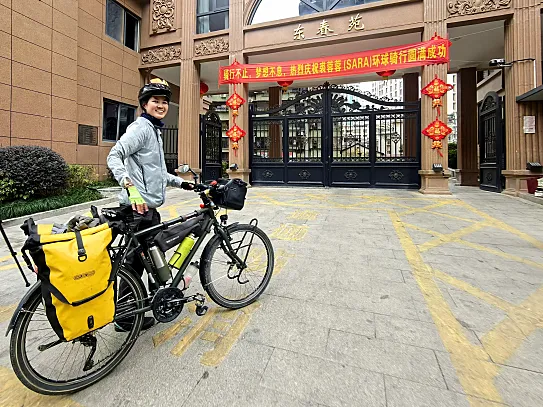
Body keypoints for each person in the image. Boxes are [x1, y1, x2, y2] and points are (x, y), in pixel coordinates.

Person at [107, 78, 193, 331]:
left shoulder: (154, 131)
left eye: (164, 102)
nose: (161, 105)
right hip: (137, 209)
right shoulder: (141, 129)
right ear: (144, 104)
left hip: (148, 210)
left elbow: (158, 173)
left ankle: (158, 299)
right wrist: (130, 188)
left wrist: (183, 183)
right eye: (155, 101)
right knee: (136, 262)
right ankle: (125, 317)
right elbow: (114, 155)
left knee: (152, 256)